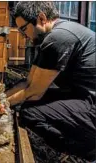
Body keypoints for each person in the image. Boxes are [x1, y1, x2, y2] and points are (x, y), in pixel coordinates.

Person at [7, 2, 96, 161]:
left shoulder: (58, 38)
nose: (22, 35)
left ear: (41, 18)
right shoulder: (54, 36)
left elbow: (34, 92)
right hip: (81, 95)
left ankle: (88, 152)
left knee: (30, 113)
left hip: (91, 103)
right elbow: (28, 82)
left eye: (23, 29)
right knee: (24, 103)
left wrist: (1, 106)